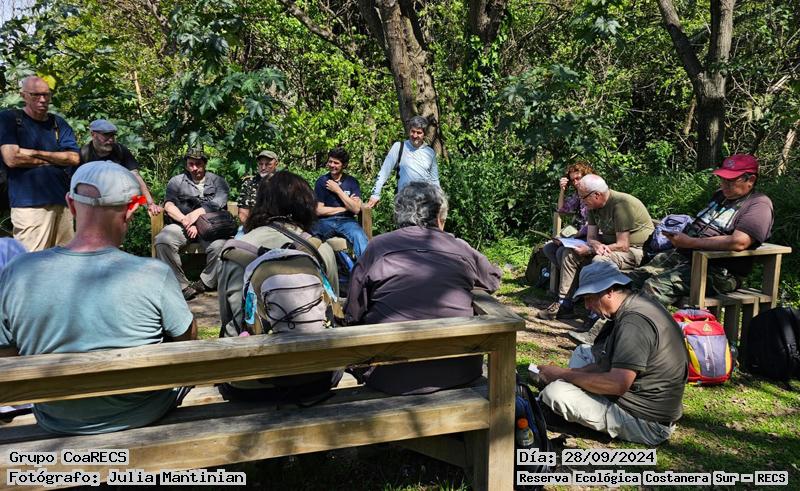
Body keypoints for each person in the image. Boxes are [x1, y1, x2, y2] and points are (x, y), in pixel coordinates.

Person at [0, 161, 196, 435]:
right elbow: (187, 344)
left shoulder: (17, 273)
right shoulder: (154, 274)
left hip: (56, 418)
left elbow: (6, 355)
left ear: (70, 204)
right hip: (144, 414)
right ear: (131, 210)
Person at [346, 182, 501, 395]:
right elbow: (492, 281)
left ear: (399, 213)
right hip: (459, 372)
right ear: (439, 217)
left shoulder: (378, 247)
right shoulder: (460, 248)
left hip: (389, 377)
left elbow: (353, 312)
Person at [217, 170, 339, 400]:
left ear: (261, 203)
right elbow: (333, 308)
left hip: (248, 382)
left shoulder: (234, 251)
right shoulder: (320, 249)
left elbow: (228, 318)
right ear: (305, 205)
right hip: (315, 376)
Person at [537, 262, 687, 446]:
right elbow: (606, 362)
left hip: (648, 422)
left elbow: (618, 384)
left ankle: (583, 422)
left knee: (556, 392)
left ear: (609, 291)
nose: (587, 306)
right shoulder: (636, 302)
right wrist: (566, 374)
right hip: (644, 398)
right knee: (582, 352)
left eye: (590, 298)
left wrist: (563, 376)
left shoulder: (633, 323)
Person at [628, 154, 773, 306]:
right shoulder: (720, 196)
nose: (724, 185)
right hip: (685, 257)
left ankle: (643, 320)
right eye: (722, 179)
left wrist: (690, 242)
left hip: (719, 271)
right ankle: (621, 319)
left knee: (655, 287)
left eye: (730, 181)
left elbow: (739, 242)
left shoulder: (759, 205)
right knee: (632, 279)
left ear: (751, 180)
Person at [538, 174, 653, 324]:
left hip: (634, 251)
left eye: (583, 197)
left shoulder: (621, 205)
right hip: (610, 247)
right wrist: (594, 245)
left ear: (597, 195)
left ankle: (597, 313)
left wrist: (592, 250)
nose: (582, 201)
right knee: (569, 253)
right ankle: (565, 303)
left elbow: (623, 245)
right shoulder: (593, 207)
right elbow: (591, 237)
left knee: (600, 260)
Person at [0, 75, 79, 251]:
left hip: (62, 203)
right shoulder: (9, 119)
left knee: (65, 259)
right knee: (31, 260)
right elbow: (11, 158)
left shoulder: (58, 123)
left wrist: (33, 153)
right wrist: (55, 159)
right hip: (29, 205)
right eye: (35, 95)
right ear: (23, 95)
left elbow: (74, 158)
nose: (42, 99)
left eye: (46, 94)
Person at [155, 146, 231, 300]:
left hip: (211, 227)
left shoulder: (219, 182)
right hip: (182, 225)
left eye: (198, 164)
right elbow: (168, 205)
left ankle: (205, 283)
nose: (194, 168)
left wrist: (196, 217)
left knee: (222, 246)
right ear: (186, 164)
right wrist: (185, 221)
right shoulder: (176, 182)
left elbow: (218, 203)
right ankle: (182, 286)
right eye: (191, 164)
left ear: (205, 163)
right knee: (163, 241)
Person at [79, 119, 161, 216]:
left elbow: (135, 175)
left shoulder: (120, 151)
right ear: (93, 134)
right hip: (92, 206)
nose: (111, 140)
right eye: (106, 135)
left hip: (119, 204)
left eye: (112, 135)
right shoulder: (84, 154)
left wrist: (150, 203)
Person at [366, 116, 439, 208]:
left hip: (424, 203)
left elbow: (434, 180)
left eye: (419, 132)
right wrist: (375, 194)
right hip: (403, 203)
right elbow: (384, 172)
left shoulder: (429, 152)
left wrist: (438, 201)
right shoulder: (399, 147)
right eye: (413, 131)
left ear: (424, 134)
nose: (415, 135)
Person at [311, 147, 369, 258]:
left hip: (347, 221)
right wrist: (346, 207)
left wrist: (337, 190)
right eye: (330, 161)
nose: (332, 165)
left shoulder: (352, 182)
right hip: (325, 221)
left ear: (344, 165)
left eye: (336, 163)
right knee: (309, 236)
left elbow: (356, 209)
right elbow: (318, 210)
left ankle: (366, 266)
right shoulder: (322, 182)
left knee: (359, 236)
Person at [237, 149, 278, 224]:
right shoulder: (249, 183)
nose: (263, 168)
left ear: (276, 164)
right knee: (239, 232)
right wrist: (252, 228)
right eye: (260, 164)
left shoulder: (283, 183)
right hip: (253, 225)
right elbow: (243, 213)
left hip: (278, 226)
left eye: (268, 164)